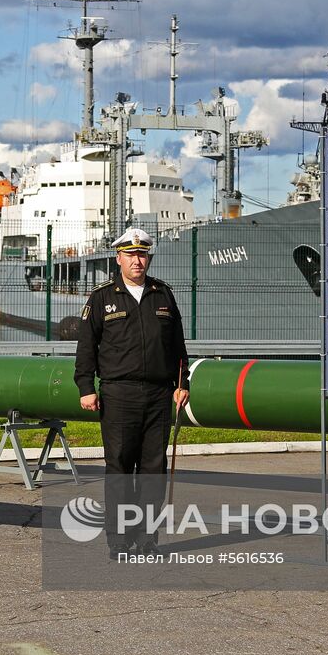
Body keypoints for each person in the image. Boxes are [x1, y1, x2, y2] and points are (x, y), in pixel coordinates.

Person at [74, 227, 189, 558]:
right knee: (121, 467)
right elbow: (87, 347)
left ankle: (148, 537)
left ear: (148, 257)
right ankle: (119, 539)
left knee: (153, 468)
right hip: (119, 393)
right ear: (118, 258)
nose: (137, 261)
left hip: (158, 394)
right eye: (131, 255)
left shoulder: (163, 295)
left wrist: (183, 384)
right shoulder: (102, 297)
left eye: (142, 255)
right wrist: (86, 386)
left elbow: (178, 345)